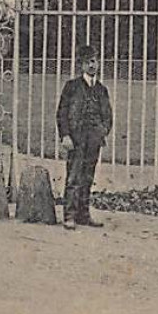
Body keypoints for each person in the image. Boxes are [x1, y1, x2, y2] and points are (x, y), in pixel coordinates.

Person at [56, 47, 113, 230]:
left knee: (88, 177)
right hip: (76, 138)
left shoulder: (101, 90)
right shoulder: (72, 87)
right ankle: (70, 215)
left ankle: (84, 214)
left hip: (94, 140)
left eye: (94, 61)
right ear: (81, 65)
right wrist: (65, 135)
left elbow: (108, 116)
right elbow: (62, 112)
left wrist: (102, 131)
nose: (92, 65)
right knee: (74, 177)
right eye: (88, 62)